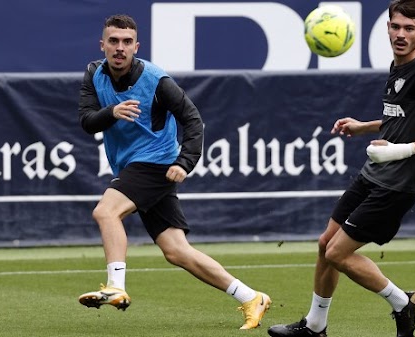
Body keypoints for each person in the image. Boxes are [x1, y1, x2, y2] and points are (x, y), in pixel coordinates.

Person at [267, 1, 415, 337]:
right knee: (326, 244)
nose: (401, 34)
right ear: (388, 28)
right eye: (396, 27)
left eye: (409, 29)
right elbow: (403, 117)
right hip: (373, 174)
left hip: (397, 185)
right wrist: (363, 127)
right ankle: (315, 326)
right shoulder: (399, 65)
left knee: (338, 253)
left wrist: (400, 150)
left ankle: (402, 302)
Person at [77, 14, 271, 330]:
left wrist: (184, 162)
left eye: (127, 42)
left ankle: (116, 286)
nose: (120, 48)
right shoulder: (93, 74)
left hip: (156, 163)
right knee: (177, 251)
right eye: (113, 41)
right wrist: (112, 112)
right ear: (103, 45)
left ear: (136, 46)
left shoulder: (156, 79)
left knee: (106, 212)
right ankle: (251, 297)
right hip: (133, 165)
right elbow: (86, 121)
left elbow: (192, 119)